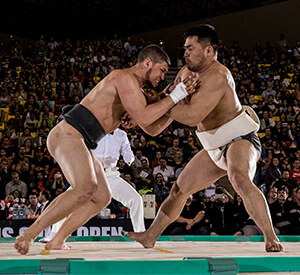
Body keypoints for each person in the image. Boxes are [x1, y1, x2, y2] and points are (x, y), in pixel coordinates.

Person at [14, 44, 198, 254]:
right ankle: (29, 234)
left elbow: (153, 129)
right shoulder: (123, 78)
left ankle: (57, 240)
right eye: (162, 70)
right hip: (68, 134)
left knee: (102, 197)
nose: (163, 76)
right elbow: (146, 116)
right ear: (148, 63)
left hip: (82, 140)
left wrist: (174, 101)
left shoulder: (135, 91)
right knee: (85, 188)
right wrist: (173, 97)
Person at [124, 25, 283, 252]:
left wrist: (160, 104)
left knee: (239, 178)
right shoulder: (185, 73)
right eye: (185, 48)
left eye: (191, 48)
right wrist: (143, 111)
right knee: (179, 190)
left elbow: (191, 116)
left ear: (209, 51)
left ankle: (270, 237)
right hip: (213, 144)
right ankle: (150, 236)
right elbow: (167, 100)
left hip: (239, 137)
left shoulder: (219, 76)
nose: (185, 53)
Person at [39, 128, 145, 243]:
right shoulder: (92, 130)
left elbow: (127, 151)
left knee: (136, 199)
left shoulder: (121, 134)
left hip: (110, 175)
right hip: (89, 174)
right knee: (67, 202)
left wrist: (129, 159)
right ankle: (54, 234)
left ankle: (140, 234)